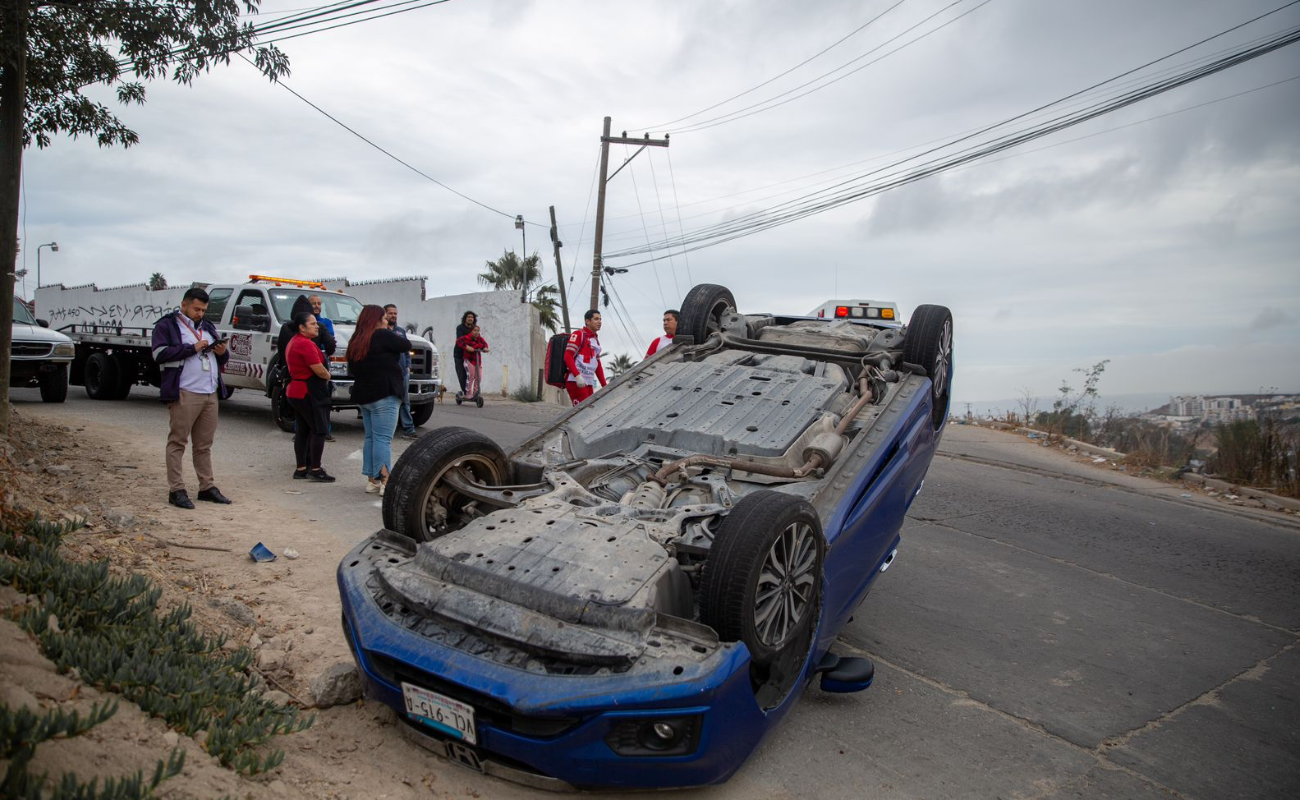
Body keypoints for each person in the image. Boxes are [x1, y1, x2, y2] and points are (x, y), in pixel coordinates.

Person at [151, 287, 232, 509]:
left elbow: (222, 358)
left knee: (204, 445)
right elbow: (159, 354)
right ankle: (176, 489)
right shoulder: (167, 325)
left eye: (204, 310)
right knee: (178, 441)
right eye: (197, 309)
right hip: (184, 392)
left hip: (209, 392)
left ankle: (207, 487)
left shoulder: (207, 327)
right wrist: (191, 348)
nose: (200, 313)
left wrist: (221, 351)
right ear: (184, 304)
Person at [346, 304, 408, 495]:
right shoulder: (382, 335)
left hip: (364, 396)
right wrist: (388, 331)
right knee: (383, 439)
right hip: (385, 394)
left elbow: (353, 369)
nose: (386, 320)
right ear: (376, 319)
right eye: (383, 317)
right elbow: (406, 345)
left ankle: (372, 480)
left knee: (371, 437)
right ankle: (385, 480)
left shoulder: (356, 340)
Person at [284, 311, 335, 482]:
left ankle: (301, 468)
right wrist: (328, 375)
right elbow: (318, 369)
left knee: (303, 430)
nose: (317, 326)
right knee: (319, 429)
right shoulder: (304, 343)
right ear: (302, 327)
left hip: (298, 390)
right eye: (312, 323)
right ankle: (315, 468)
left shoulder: (296, 341)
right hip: (308, 390)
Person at [385, 303, 418, 440]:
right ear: (385, 314)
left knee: (404, 401)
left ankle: (408, 429)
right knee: (387, 401)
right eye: (391, 313)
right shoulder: (381, 331)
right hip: (387, 373)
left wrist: (408, 365)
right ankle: (387, 430)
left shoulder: (400, 331)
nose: (393, 316)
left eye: (395, 313)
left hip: (402, 373)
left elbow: (406, 351)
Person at [564, 309, 607, 406]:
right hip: (576, 381)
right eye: (596, 319)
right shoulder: (579, 334)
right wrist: (577, 376)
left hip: (589, 382)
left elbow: (597, 364)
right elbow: (567, 356)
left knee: (588, 412)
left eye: (600, 319)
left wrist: (604, 385)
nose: (599, 322)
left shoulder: (595, 340)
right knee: (580, 412)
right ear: (588, 321)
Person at [455, 324, 489, 401]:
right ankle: (468, 393)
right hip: (469, 360)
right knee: (471, 376)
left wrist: (485, 348)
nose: (476, 332)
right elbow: (458, 341)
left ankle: (476, 393)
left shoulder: (480, 339)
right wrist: (467, 347)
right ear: (471, 331)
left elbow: (485, 344)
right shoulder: (467, 338)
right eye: (474, 330)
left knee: (479, 377)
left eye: (478, 331)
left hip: (477, 361)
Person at [453, 310, 477, 399]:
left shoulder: (474, 329)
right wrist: (467, 347)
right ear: (465, 319)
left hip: (470, 356)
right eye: (469, 317)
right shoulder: (460, 328)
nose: (470, 318)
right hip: (459, 355)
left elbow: (478, 339)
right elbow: (460, 340)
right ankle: (465, 392)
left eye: (472, 317)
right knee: (462, 374)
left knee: (472, 374)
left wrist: (482, 347)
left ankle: (471, 392)